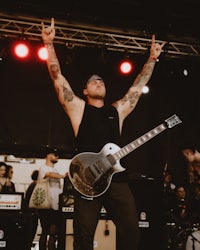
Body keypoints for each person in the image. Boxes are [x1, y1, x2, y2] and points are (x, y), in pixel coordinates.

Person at [41, 18, 166, 250]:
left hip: (117, 179)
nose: (98, 81)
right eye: (92, 81)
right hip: (87, 180)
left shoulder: (116, 111)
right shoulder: (78, 108)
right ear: (85, 90)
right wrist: (48, 44)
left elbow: (136, 89)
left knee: (132, 233)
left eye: (101, 80)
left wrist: (152, 58)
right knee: (83, 237)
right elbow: (58, 79)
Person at [37, 148, 68, 250]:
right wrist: (62, 176)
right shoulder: (43, 168)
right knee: (46, 230)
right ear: (48, 155)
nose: (57, 156)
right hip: (46, 204)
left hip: (56, 204)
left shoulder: (55, 170)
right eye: (55, 154)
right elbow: (48, 174)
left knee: (54, 231)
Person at [23, 170, 39, 249]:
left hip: (28, 212)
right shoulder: (36, 185)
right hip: (32, 213)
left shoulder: (31, 185)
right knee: (31, 231)